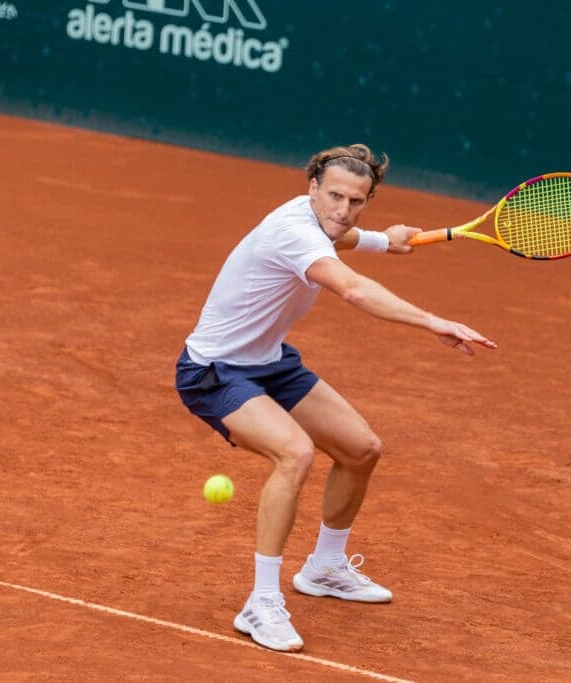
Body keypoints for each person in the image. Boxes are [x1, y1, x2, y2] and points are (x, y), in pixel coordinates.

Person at [175, 143, 496, 652]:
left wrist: (382, 242)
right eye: (334, 197)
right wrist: (434, 321)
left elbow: (339, 237)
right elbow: (354, 291)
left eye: (356, 202)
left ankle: (325, 567)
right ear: (311, 190)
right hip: (213, 371)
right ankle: (260, 602)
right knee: (295, 453)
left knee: (361, 449)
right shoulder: (291, 230)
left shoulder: (319, 222)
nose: (343, 210)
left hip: (270, 362)